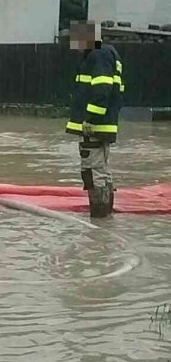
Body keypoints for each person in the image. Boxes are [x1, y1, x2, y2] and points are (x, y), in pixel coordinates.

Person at [66, 21, 123, 218]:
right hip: (102, 124)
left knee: (93, 170)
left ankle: (99, 218)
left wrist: (90, 118)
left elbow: (101, 90)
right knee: (101, 169)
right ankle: (105, 216)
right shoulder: (105, 54)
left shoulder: (98, 55)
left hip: (95, 125)